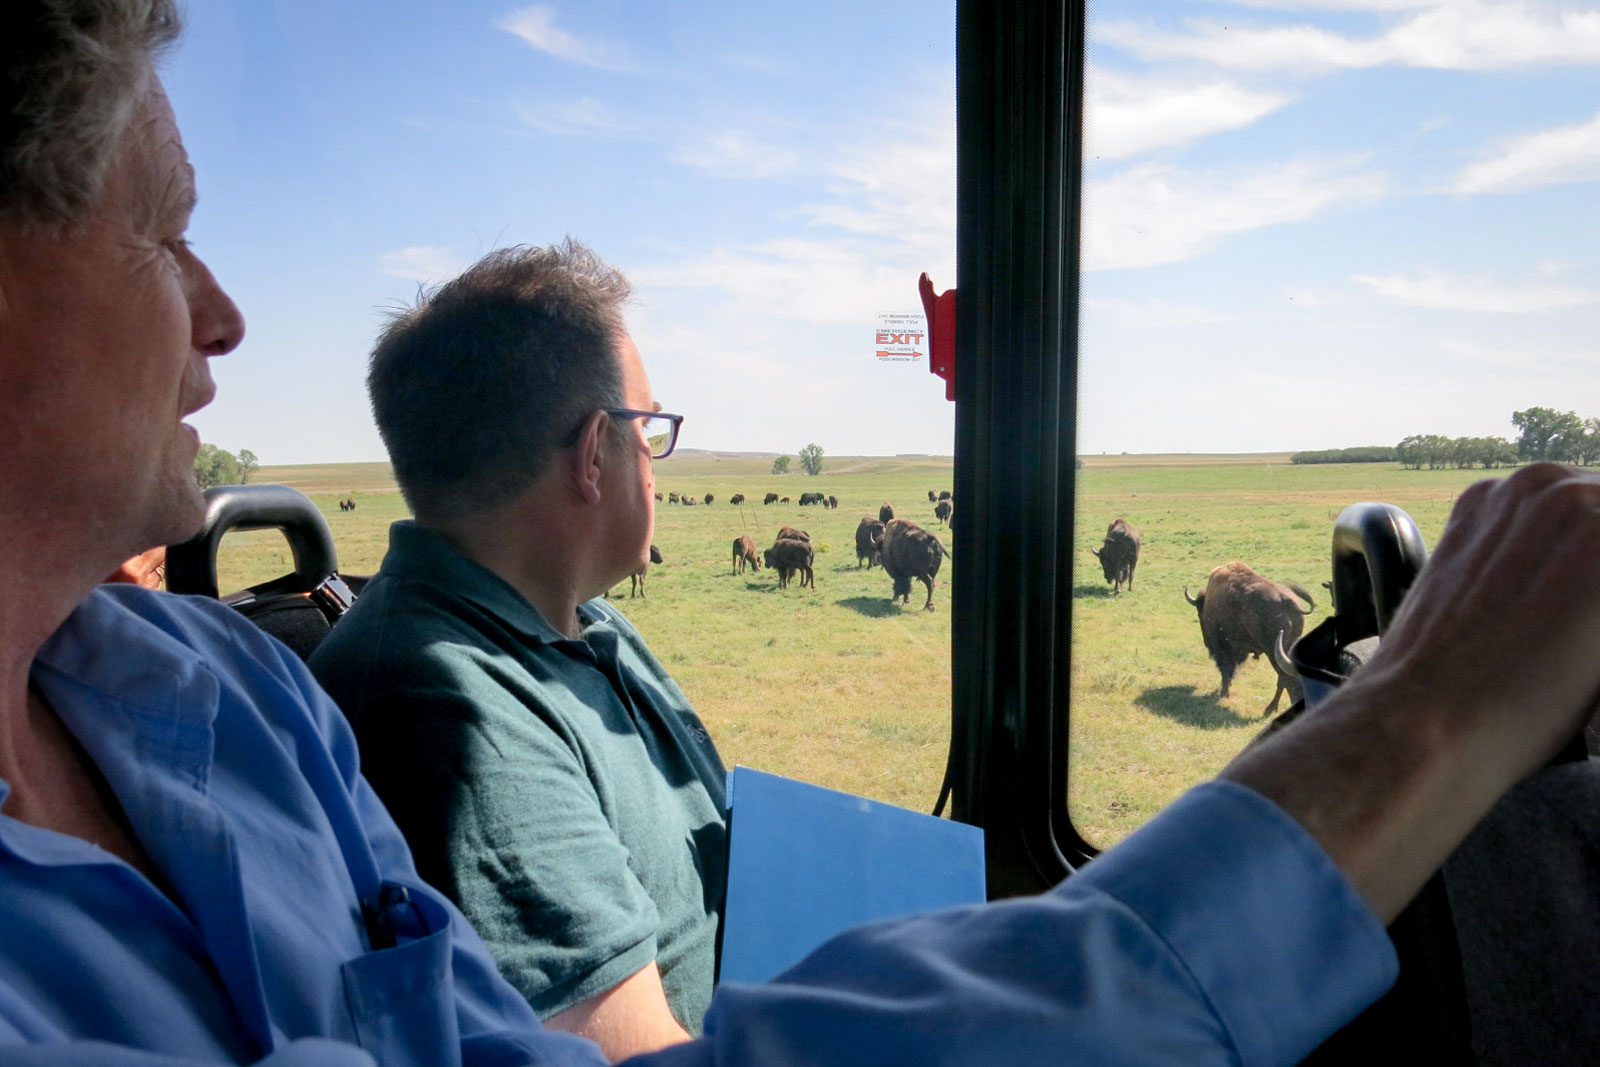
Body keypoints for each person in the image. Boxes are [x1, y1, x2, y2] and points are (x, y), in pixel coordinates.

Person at [3, 2, 1598, 1064]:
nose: (220, 314)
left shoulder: (234, 692)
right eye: (160, 231)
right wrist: (1419, 720)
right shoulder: (441, 707)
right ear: (591, 457)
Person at [308, 242, 724, 1059]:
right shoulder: (448, 708)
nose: (656, 459)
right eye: (651, 430)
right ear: (594, 452)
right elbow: (630, 1053)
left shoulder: (586, 621)